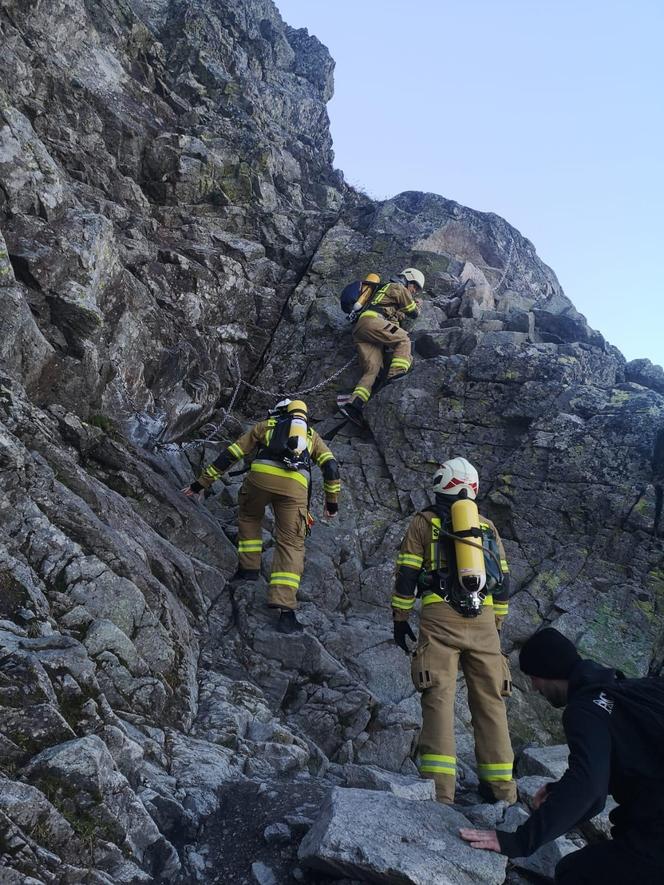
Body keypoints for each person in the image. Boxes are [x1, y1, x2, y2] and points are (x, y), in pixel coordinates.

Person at [459, 628, 664, 884]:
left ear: (548, 671)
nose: (533, 688)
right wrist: (561, 788)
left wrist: (519, 841)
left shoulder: (585, 710)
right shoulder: (628, 690)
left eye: (533, 677)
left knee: (575, 872)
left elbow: (589, 789)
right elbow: (627, 763)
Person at [392, 457, 515, 805]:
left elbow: (407, 574)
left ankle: (440, 792)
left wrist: (400, 618)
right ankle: (502, 791)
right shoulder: (486, 526)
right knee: (491, 702)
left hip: (440, 615)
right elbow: (503, 581)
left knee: (439, 698)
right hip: (485, 619)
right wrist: (496, 625)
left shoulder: (424, 522)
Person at [183, 399, 340, 633]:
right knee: (291, 543)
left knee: (249, 516)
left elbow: (231, 453)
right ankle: (285, 611)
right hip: (295, 487)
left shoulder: (265, 426)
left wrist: (200, 485)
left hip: (260, 479)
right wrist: (332, 503)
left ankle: (248, 570)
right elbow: (331, 467)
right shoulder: (312, 435)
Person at [340, 267, 424, 425]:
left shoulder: (382, 291)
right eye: (415, 287)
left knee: (373, 370)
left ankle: (353, 405)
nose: (414, 291)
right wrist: (417, 305)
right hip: (373, 322)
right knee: (404, 339)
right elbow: (413, 312)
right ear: (408, 279)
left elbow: (393, 319)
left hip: (361, 329)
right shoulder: (398, 287)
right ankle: (395, 379)